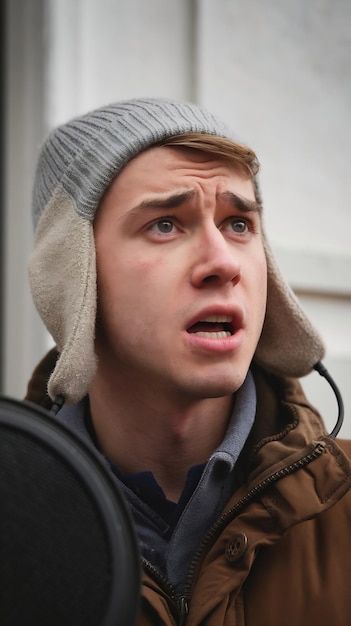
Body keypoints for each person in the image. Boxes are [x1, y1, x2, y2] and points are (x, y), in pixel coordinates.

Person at [26, 98, 351, 625]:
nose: (222, 262)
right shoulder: (14, 516)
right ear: (72, 276)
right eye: (165, 224)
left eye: (239, 224)